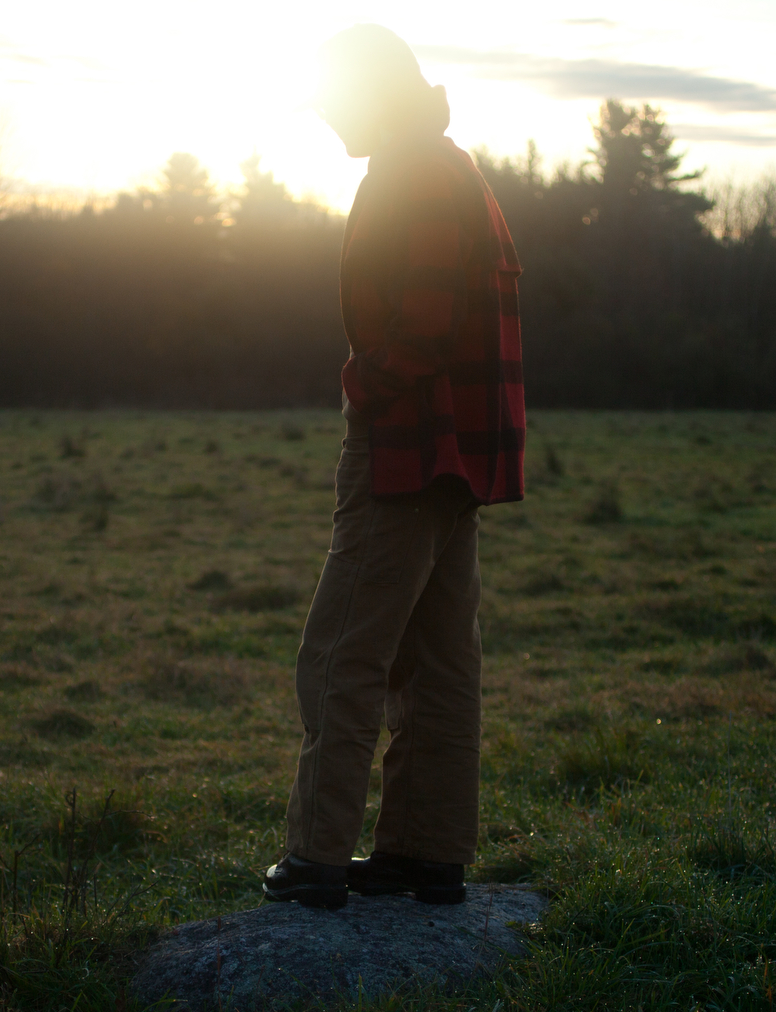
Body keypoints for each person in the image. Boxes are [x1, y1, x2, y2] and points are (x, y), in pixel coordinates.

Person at [263, 24, 525, 910]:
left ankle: (316, 858)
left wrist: (366, 386)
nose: (330, 124)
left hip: (409, 448)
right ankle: (424, 852)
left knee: (340, 654)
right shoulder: (452, 166)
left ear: (371, 93)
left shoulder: (410, 173)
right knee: (440, 663)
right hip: (460, 462)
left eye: (335, 104)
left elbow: (425, 317)